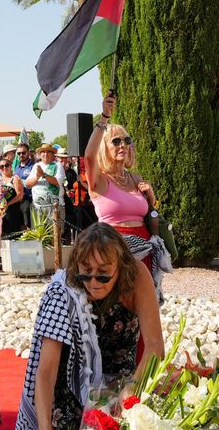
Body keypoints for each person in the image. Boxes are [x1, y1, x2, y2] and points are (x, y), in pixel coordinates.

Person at [17, 223, 164, 430]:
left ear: (120, 266)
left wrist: (132, 387)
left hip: (121, 386)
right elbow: (46, 370)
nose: (93, 281)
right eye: (86, 272)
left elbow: (155, 346)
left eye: (103, 273)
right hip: (72, 388)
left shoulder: (136, 277)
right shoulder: (63, 292)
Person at [83, 91, 172, 302]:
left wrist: (151, 197)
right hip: (113, 249)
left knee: (144, 306)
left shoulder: (135, 177)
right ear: (105, 147)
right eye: (116, 141)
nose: (123, 144)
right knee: (119, 307)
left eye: (126, 140)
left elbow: (151, 212)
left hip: (145, 248)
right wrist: (104, 118)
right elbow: (88, 156)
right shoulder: (99, 180)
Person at [26, 144, 66, 229]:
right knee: (38, 239)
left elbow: (57, 182)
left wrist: (43, 175)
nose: (45, 154)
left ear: (53, 154)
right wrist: (37, 177)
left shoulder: (58, 165)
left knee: (55, 237)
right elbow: (28, 184)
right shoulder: (36, 166)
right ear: (40, 155)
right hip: (37, 208)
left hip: (54, 208)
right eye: (43, 152)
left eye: (48, 152)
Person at [0, 160, 25, 237]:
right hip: (1, 212)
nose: (4, 168)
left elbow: (20, 196)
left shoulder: (15, 178)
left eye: (6, 165)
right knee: (2, 236)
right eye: (1, 166)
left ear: (10, 166)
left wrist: (7, 204)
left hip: (13, 212)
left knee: (13, 236)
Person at [13, 143, 37, 229]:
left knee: (28, 226)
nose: (21, 155)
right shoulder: (16, 168)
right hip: (17, 200)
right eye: (19, 153)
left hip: (29, 199)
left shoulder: (33, 167)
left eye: (23, 152)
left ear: (29, 153)